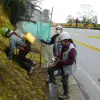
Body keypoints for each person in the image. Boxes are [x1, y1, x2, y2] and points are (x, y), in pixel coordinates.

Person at [47, 32, 77, 99]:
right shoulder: (64, 46)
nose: (61, 43)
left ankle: (66, 94)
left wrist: (61, 61)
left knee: (64, 80)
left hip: (67, 67)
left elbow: (71, 61)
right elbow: (61, 53)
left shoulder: (72, 49)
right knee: (50, 69)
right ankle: (52, 80)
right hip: (61, 63)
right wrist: (56, 58)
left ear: (66, 40)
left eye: (62, 41)